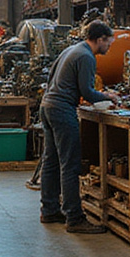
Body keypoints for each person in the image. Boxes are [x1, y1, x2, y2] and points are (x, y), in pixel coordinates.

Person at [40, 21, 119, 234]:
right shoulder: (86, 56)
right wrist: (109, 96)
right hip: (62, 110)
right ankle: (74, 218)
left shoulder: (70, 50)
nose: (110, 46)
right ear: (100, 38)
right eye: (109, 42)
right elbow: (88, 92)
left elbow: (50, 78)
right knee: (70, 164)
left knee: (52, 161)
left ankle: (49, 210)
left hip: (47, 106)